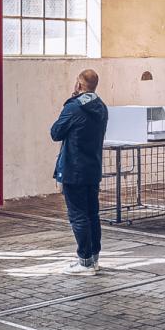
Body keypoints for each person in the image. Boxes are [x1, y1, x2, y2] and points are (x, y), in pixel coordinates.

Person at [50, 69, 109, 276]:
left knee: (78, 216)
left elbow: (55, 133)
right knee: (92, 214)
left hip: (74, 170)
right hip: (93, 169)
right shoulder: (101, 107)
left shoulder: (73, 108)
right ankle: (94, 259)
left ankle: (84, 262)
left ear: (79, 85)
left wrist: (71, 101)